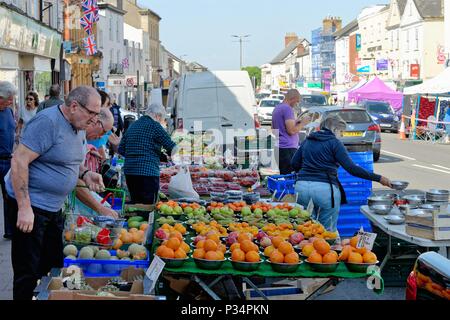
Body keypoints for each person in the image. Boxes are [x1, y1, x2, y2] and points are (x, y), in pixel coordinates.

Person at [4, 86, 104, 300]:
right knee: (28, 271)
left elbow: (68, 160)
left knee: (54, 263)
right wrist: (24, 208)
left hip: (53, 207)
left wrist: (86, 173)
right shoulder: (48, 122)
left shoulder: (78, 125)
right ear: (74, 106)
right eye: (92, 113)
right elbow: (19, 160)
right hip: (32, 206)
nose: (94, 120)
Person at [291, 114, 392, 232]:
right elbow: (351, 168)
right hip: (324, 189)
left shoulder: (308, 141)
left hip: (302, 187)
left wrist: (307, 173)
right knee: (326, 231)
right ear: (334, 130)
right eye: (341, 132)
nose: (341, 135)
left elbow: (294, 163)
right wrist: (379, 178)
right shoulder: (334, 143)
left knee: (305, 229)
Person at [118, 103, 177, 204]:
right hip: (148, 173)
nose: (161, 121)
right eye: (161, 119)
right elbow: (172, 148)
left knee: (136, 203)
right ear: (157, 116)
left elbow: (121, 149)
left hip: (130, 173)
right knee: (148, 206)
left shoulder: (133, 125)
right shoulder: (155, 126)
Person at [75, 108, 118, 218]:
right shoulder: (75, 135)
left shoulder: (81, 136)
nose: (101, 137)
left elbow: (74, 168)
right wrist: (100, 208)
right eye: (104, 132)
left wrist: (86, 173)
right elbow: (73, 178)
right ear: (96, 121)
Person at [272, 89, 310, 174]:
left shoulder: (277, 108)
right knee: (290, 177)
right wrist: (303, 123)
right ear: (292, 98)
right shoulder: (287, 109)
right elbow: (292, 131)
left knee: (285, 175)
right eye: (297, 101)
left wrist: (295, 122)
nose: (296, 104)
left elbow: (273, 129)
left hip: (279, 148)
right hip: (287, 148)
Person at [0, 81, 17, 239]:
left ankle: (10, 230)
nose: (12, 101)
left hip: (8, 159)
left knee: (9, 196)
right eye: (9, 99)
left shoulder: (9, 112)